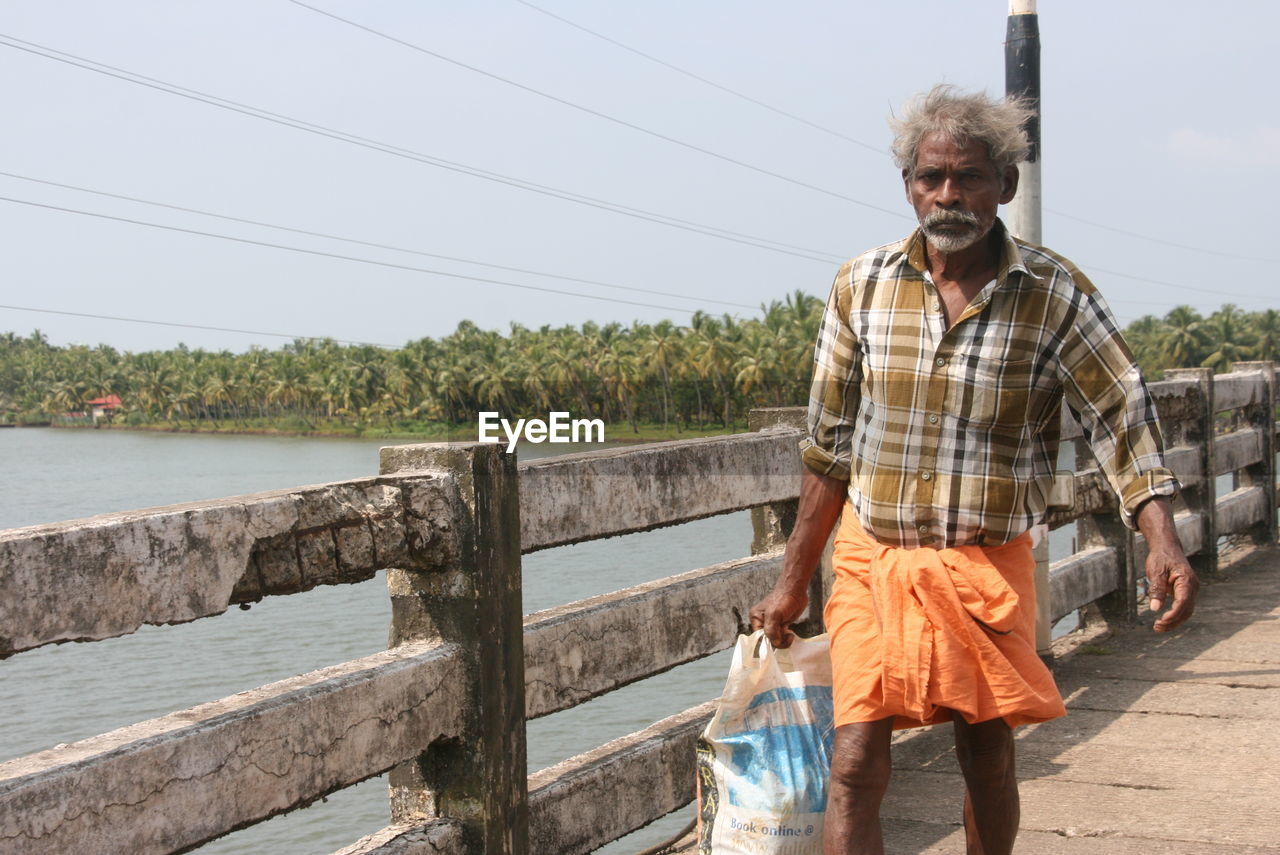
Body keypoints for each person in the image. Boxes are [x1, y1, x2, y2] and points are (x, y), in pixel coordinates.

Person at [749, 85, 1200, 855]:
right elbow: (828, 445)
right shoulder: (861, 285)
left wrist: (1163, 538)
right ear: (909, 186)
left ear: (1007, 186)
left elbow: (1122, 417)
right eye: (932, 177)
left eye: (969, 177)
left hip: (985, 564)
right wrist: (794, 577)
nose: (949, 195)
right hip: (873, 559)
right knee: (854, 762)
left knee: (986, 758)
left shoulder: (1055, 295)